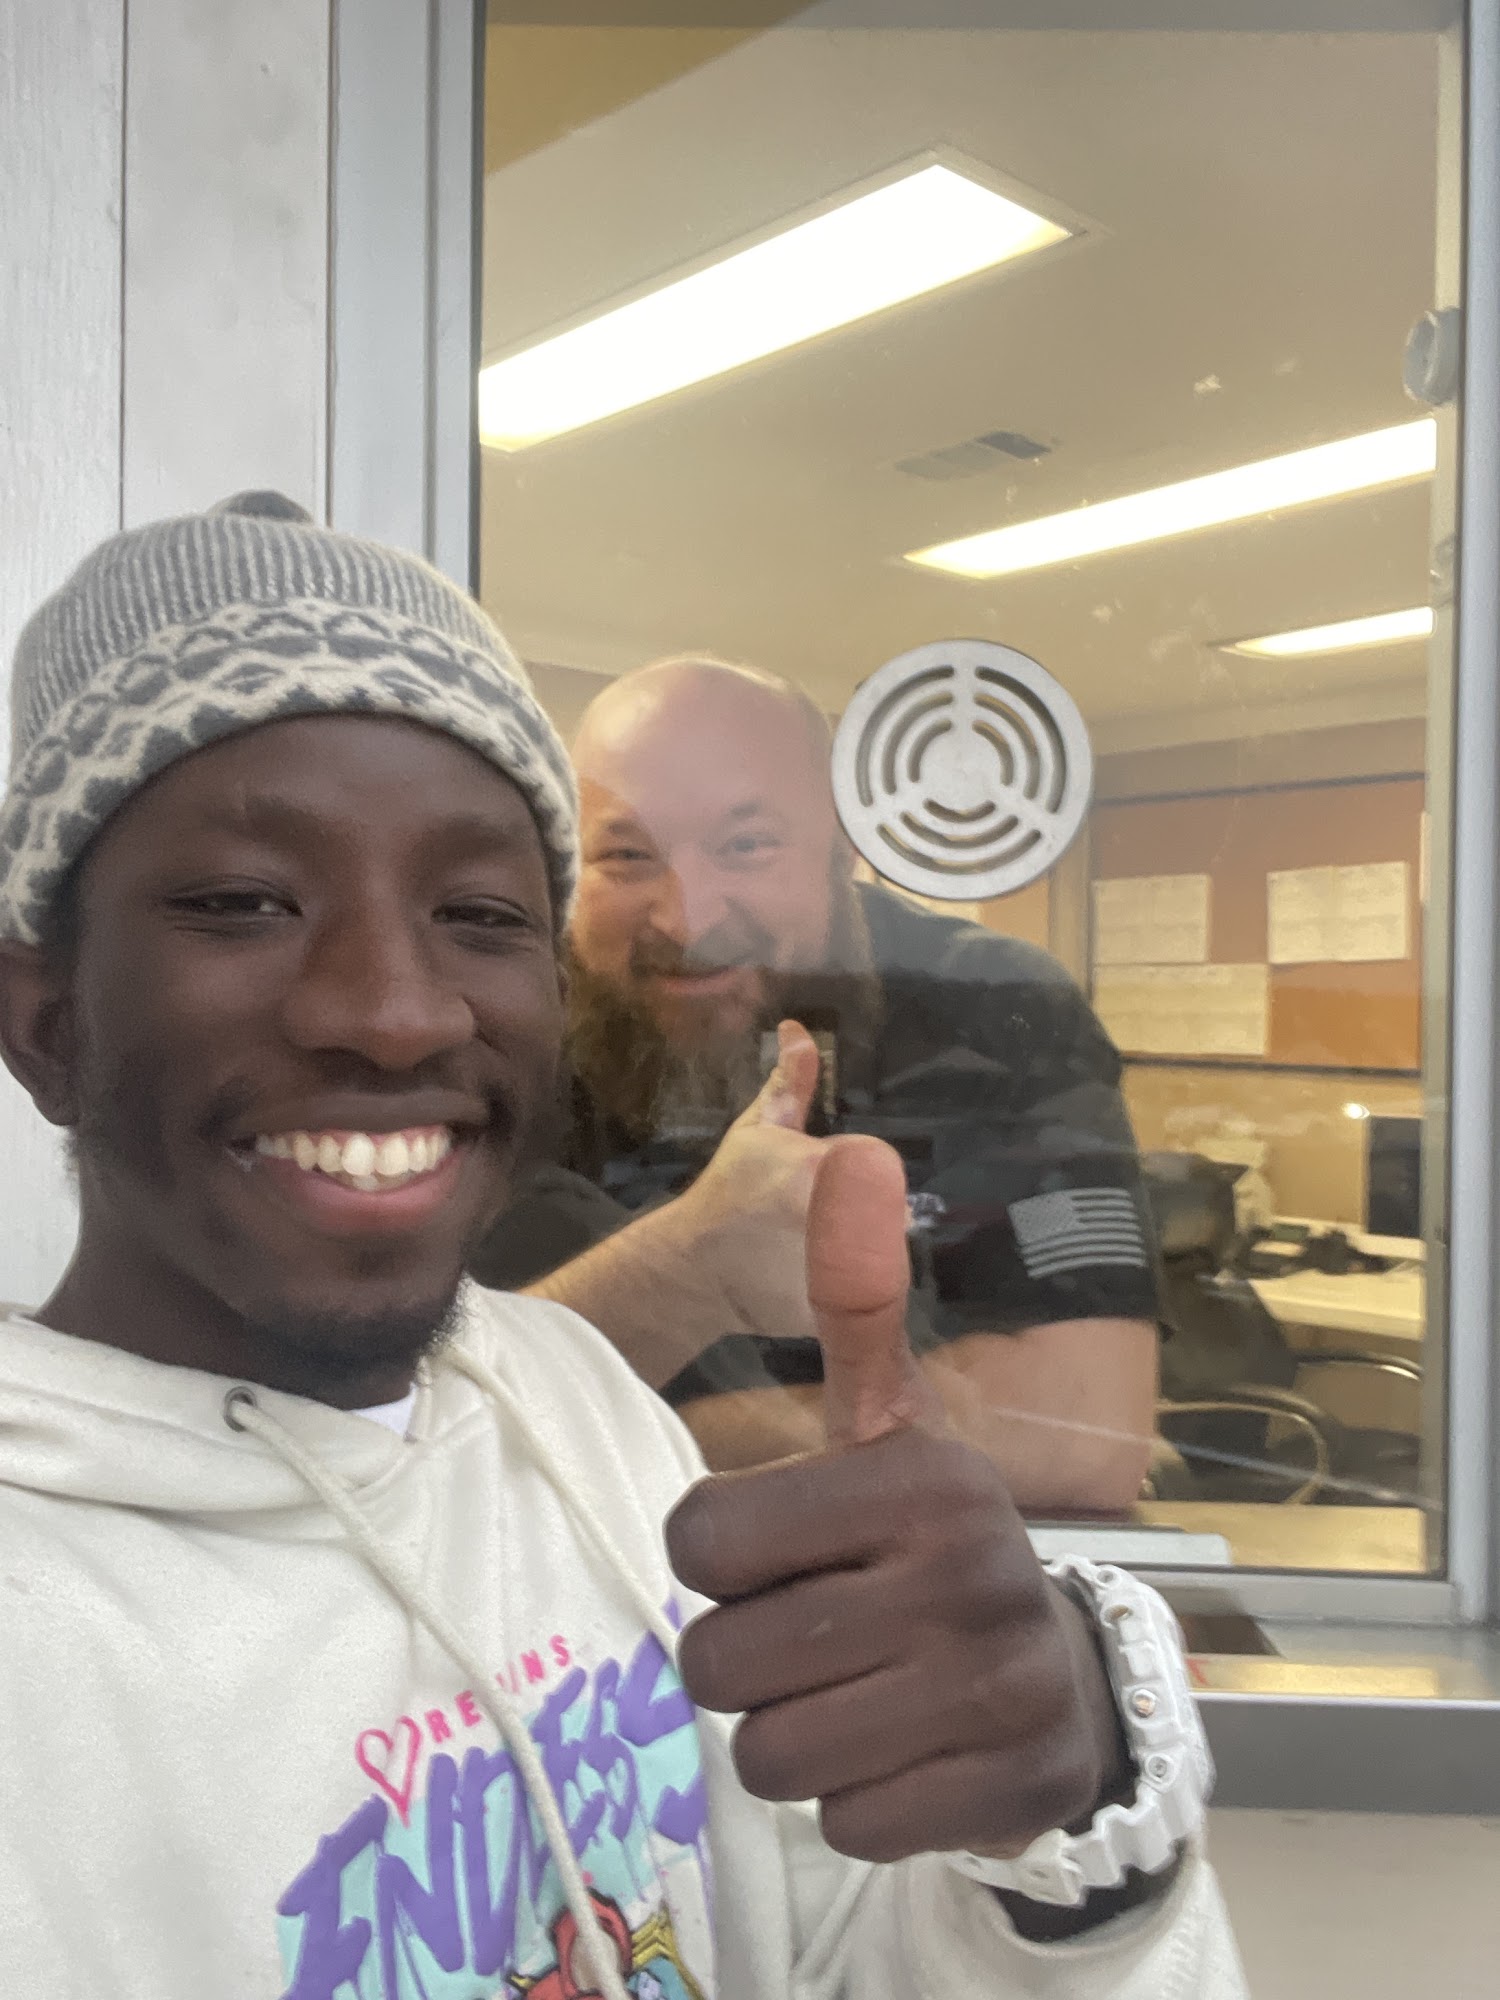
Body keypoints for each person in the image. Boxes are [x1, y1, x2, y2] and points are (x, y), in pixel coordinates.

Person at [0, 495, 1244, 1997]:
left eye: (478, 912)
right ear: (44, 1019)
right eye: (245, 903)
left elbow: (833, 1950)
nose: (397, 1013)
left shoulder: (585, 1416)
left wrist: (1074, 1839)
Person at [471, 657, 1158, 1509]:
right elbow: (411, 1424)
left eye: (747, 846)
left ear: (841, 849)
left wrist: (608, 1417)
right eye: (627, 855)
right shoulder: (506, 1021)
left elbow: (1081, 1442)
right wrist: (687, 1265)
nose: (688, 918)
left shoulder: (993, 1009)